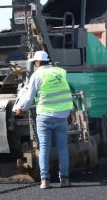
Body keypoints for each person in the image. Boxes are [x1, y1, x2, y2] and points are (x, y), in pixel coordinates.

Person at [13, 50, 74, 189]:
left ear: (38, 62)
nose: (34, 65)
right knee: (63, 148)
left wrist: (20, 108)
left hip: (45, 117)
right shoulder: (60, 72)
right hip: (62, 115)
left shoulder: (37, 75)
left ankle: (45, 180)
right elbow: (65, 92)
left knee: (44, 148)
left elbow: (29, 98)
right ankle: (64, 179)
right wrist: (70, 112)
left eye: (35, 62)